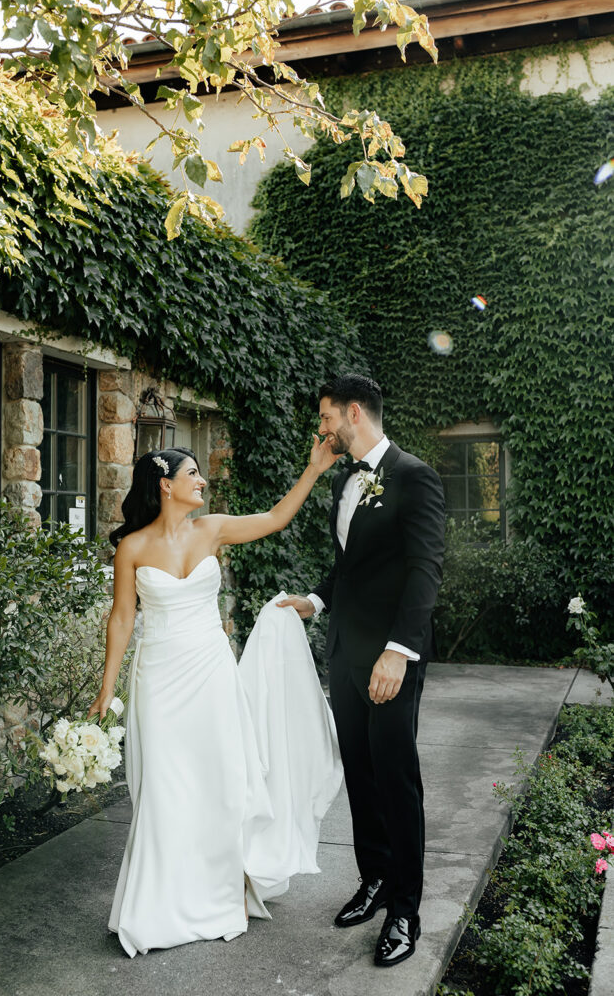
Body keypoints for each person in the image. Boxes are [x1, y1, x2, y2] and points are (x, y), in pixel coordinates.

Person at [88, 440, 342, 957]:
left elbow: (275, 517)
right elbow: (121, 619)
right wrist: (107, 685)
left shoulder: (214, 529)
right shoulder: (132, 548)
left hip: (211, 675)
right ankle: (159, 905)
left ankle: (222, 892)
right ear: (166, 485)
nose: (202, 481)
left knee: (219, 782)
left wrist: (313, 469)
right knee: (165, 786)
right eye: (193, 473)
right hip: (159, 679)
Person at [278, 374, 445, 968]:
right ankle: (374, 879)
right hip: (345, 653)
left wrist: (399, 650)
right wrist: (316, 602)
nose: (321, 430)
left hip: (390, 661)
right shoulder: (345, 479)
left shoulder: (414, 476)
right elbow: (351, 565)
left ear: (352, 412)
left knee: (397, 780)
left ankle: (405, 909)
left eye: (326, 418)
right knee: (361, 773)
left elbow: (425, 569)